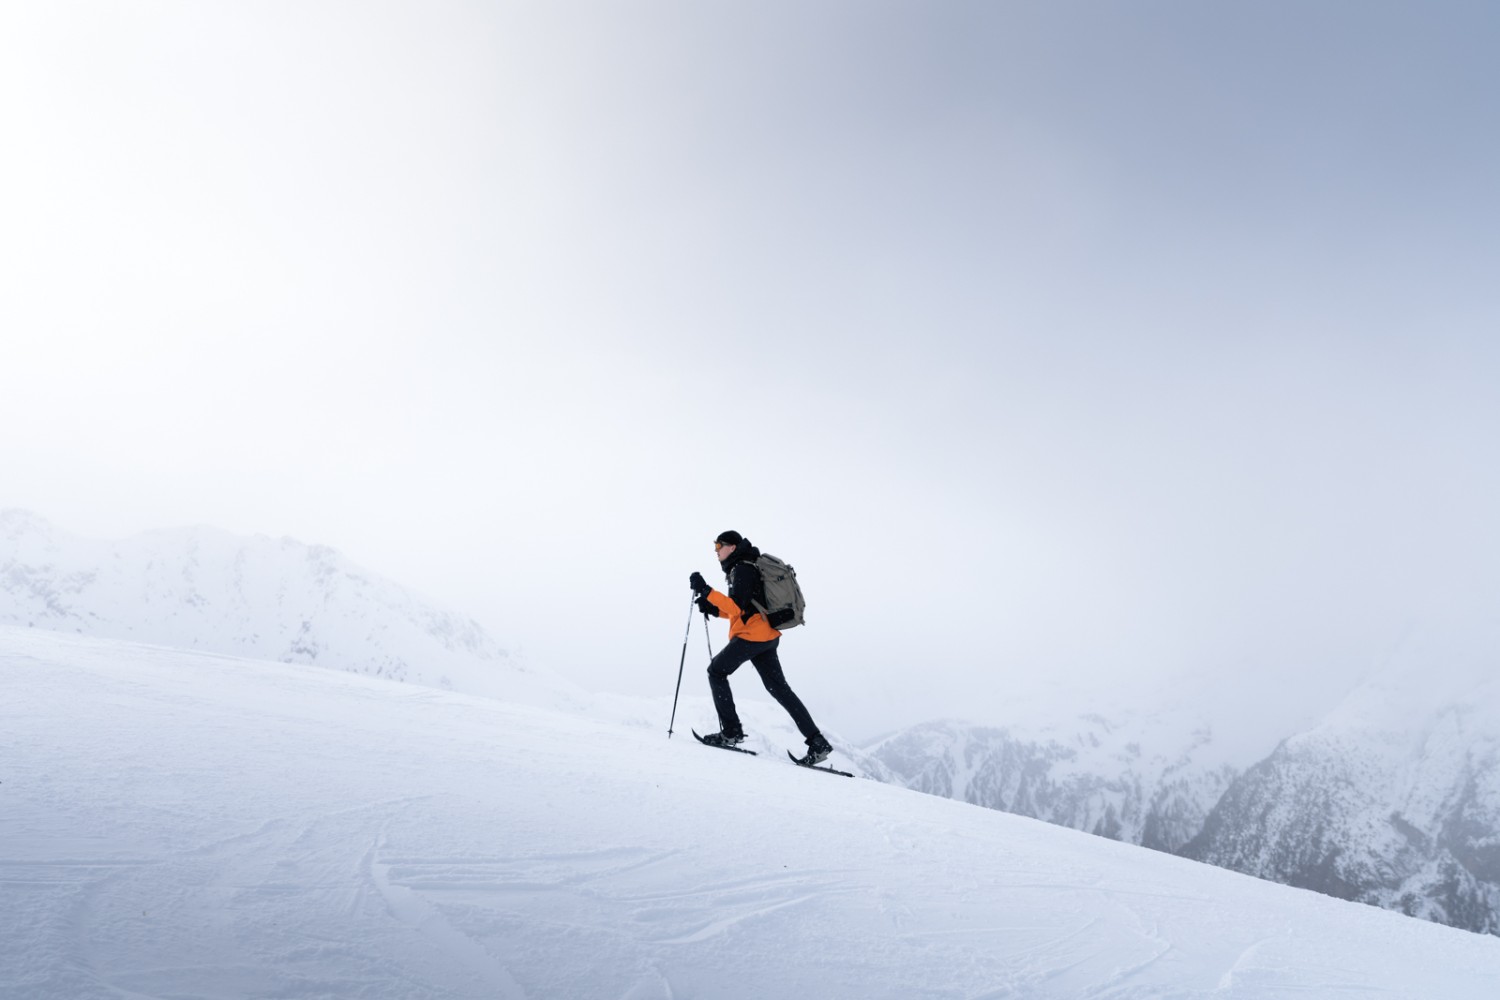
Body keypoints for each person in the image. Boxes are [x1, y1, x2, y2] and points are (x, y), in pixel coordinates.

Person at [690, 530, 834, 765]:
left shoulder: (743, 569)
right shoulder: (746, 566)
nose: (716, 551)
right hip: (765, 637)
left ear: (733, 547)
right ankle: (817, 742)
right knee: (780, 689)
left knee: (716, 672)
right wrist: (713, 609)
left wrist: (706, 591)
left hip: (751, 638)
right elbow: (745, 609)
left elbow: (736, 607)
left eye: (719, 545)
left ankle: (731, 731)